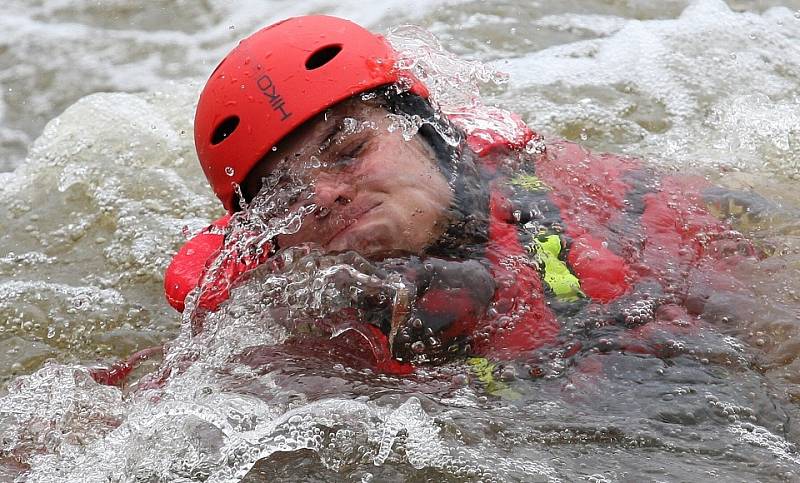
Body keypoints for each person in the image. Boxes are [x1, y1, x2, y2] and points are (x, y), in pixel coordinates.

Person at [102, 15, 762, 386]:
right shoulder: (283, 337)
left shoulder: (608, 204)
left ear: (428, 127)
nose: (327, 193)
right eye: (285, 194)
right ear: (261, 238)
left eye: (347, 148)